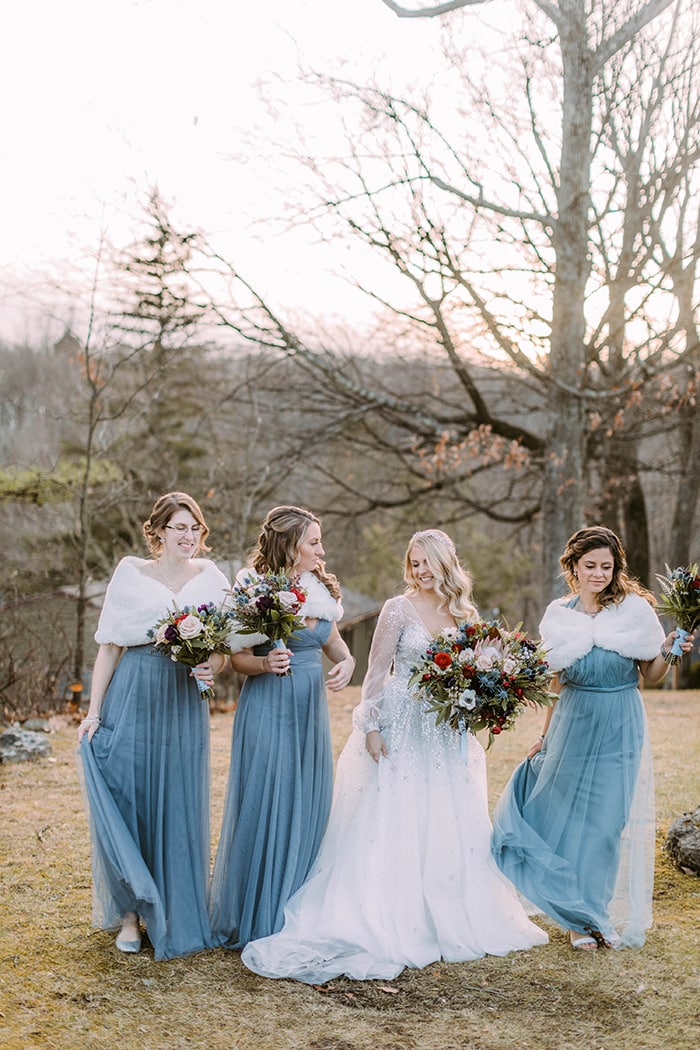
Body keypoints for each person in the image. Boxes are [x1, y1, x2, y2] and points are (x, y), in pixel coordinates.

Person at [241, 529, 548, 984]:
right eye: (415, 562)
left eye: (427, 563)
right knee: (394, 815)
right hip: (400, 725)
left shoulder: (465, 615)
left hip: (445, 731)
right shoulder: (396, 608)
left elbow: (474, 675)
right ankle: (392, 911)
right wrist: (370, 726)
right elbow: (375, 673)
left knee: (445, 817)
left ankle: (446, 909)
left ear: (447, 564)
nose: (420, 571)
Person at [491, 525, 696, 951]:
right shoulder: (559, 615)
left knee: (606, 825)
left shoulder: (635, 611)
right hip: (573, 723)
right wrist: (544, 737)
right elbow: (555, 684)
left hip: (620, 721)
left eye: (607, 566)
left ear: (616, 568)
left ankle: (597, 912)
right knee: (568, 820)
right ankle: (577, 918)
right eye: (591, 566)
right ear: (574, 568)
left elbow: (651, 675)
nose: (599, 573)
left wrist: (671, 652)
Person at [78, 492, 230, 959]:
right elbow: (109, 646)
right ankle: (129, 915)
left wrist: (214, 668)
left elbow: (222, 649)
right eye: (179, 527)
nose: (188, 537)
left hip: (184, 700)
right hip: (134, 693)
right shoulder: (131, 575)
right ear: (159, 531)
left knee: (177, 799)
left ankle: (174, 907)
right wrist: (93, 711)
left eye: (195, 529)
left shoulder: (212, 579)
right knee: (131, 795)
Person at [209, 505, 355, 949]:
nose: (321, 550)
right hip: (268, 706)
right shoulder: (254, 590)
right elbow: (236, 659)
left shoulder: (320, 591)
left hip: (309, 715)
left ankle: (298, 906)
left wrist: (348, 664)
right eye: (313, 542)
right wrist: (264, 662)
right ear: (289, 546)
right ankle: (260, 910)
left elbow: (336, 647)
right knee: (267, 798)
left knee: (305, 799)